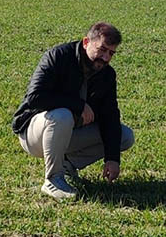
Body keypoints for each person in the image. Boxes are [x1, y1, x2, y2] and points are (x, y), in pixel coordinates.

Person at [12, 22, 134, 199]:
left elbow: (110, 115)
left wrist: (112, 158)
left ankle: (68, 165)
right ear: (86, 42)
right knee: (63, 115)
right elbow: (35, 97)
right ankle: (53, 179)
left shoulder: (106, 74)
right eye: (102, 49)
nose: (106, 58)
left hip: (69, 133)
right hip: (35, 133)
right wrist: (77, 105)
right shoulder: (58, 56)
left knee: (124, 136)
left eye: (111, 53)